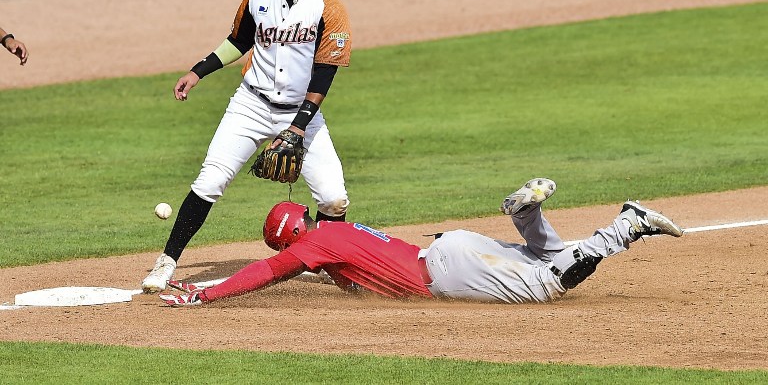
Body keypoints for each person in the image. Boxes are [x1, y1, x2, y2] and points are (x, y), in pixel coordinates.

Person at [142, 0, 353, 293]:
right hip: (250, 105)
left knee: (334, 197)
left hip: (301, 111)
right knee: (211, 180)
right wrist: (198, 72)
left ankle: (322, 261)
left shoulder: (329, 7)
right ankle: (166, 262)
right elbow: (238, 41)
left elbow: (324, 74)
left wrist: (298, 127)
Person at [159, 178, 684, 306]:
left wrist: (204, 293)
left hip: (449, 273)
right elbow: (363, 279)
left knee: (547, 283)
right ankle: (527, 217)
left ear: (291, 240)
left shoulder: (316, 246)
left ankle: (627, 227)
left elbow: (265, 273)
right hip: (448, 251)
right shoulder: (339, 234)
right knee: (550, 256)